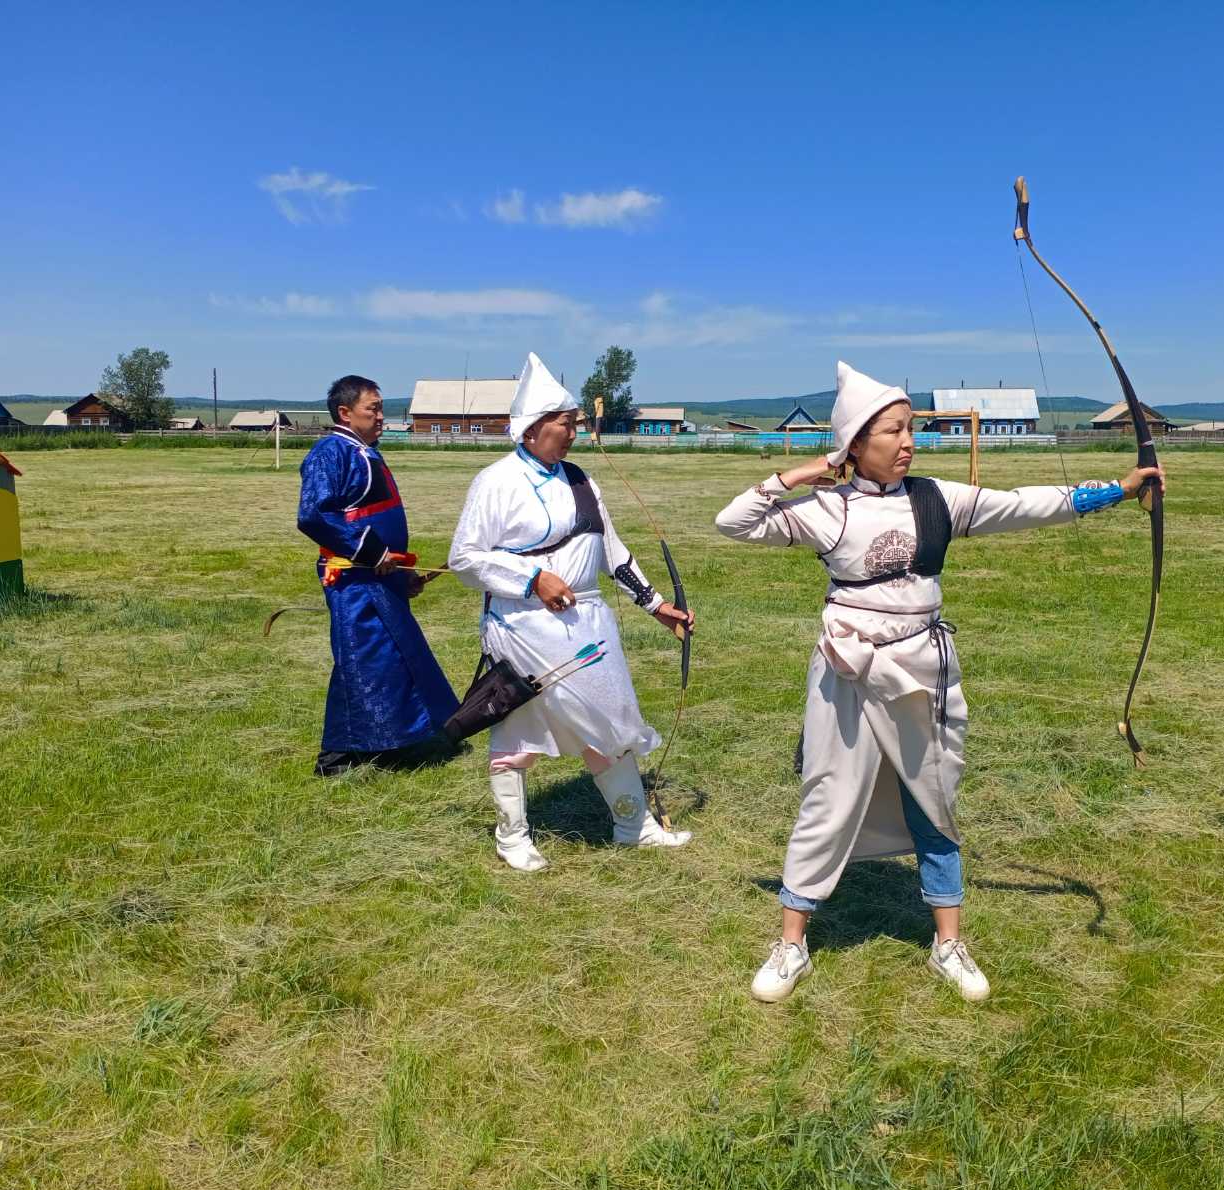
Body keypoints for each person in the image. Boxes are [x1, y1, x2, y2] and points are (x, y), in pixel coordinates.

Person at [715, 361, 1165, 1002]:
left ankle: (947, 943)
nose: (907, 443)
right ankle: (792, 945)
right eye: (892, 432)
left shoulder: (936, 498)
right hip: (849, 675)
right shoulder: (826, 509)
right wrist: (798, 474)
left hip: (923, 670)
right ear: (855, 444)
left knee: (935, 796)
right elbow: (733, 521)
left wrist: (1116, 491)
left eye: (910, 430)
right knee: (828, 795)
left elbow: (1021, 506)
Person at [448, 352, 696, 870]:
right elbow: (465, 558)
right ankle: (512, 837)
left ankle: (634, 826)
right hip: (522, 626)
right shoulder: (496, 481)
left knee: (610, 721)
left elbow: (611, 551)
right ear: (534, 427)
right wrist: (533, 579)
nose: (575, 433)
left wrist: (656, 606)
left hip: (588, 621)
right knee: (519, 729)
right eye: (567, 423)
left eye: (575, 423)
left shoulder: (581, 478)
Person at [296, 375, 459, 776]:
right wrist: (373, 552)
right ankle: (336, 755)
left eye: (381, 408)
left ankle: (388, 741)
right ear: (345, 412)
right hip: (353, 578)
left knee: (391, 656)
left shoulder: (363, 451)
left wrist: (401, 575)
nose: (382, 416)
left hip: (380, 575)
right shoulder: (330, 452)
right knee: (361, 657)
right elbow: (314, 514)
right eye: (374, 409)